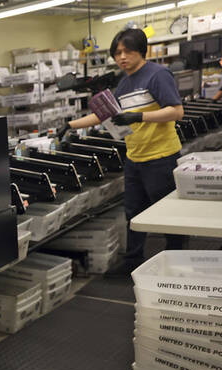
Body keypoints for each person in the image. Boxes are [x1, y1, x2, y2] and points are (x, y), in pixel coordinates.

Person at [59, 28, 185, 275]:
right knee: (134, 212)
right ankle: (133, 261)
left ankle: (177, 260)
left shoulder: (158, 75)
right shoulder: (124, 83)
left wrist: (139, 116)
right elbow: (104, 115)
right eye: (117, 53)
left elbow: (176, 111)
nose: (122, 57)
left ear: (142, 50)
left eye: (127, 51)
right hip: (134, 158)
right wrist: (70, 125)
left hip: (161, 157)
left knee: (168, 213)